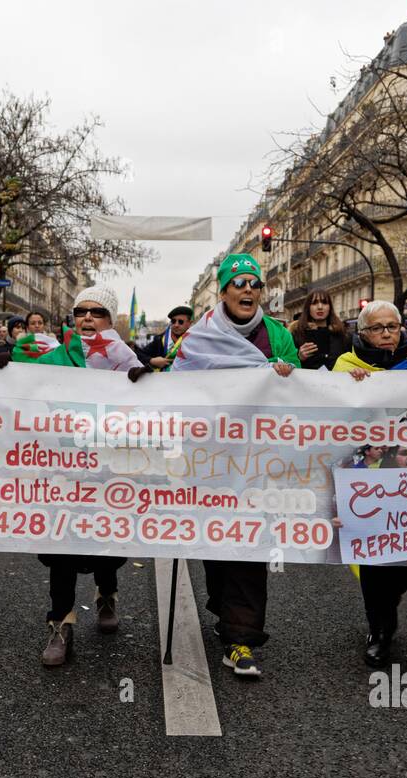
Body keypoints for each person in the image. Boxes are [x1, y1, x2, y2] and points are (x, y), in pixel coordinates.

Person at [172, 253, 299, 678]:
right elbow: (178, 384)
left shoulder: (278, 334)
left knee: (248, 541)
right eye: (239, 283)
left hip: (259, 459)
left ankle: (240, 637)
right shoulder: (197, 337)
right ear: (223, 290)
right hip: (210, 459)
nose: (248, 290)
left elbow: (302, 388)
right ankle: (223, 606)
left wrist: (288, 375)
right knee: (216, 539)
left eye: (254, 284)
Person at [10, 284, 144, 666]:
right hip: (62, 471)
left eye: (97, 312)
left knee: (105, 544)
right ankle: (60, 623)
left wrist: (149, 382)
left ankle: (107, 594)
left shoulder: (128, 360)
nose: (87, 317)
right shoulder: (54, 358)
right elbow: (20, 384)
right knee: (62, 546)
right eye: (81, 311)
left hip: (108, 469)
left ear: (110, 320)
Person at [331, 300, 407, 667]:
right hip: (365, 480)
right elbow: (330, 414)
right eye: (377, 328)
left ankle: (386, 612)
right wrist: (349, 388)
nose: (386, 334)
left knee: (399, 558)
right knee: (372, 556)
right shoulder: (346, 367)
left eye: (392, 327)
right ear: (362, 333)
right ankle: (379, 630)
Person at [291, 288, 349, 371]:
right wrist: (299, 357)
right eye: (314, 303)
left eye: (324, 302)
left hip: (336, 382)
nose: (320, 307)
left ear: (330, 307)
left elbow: (350, 363)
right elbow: (287, 364)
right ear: (308, 307)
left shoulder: (342, 334)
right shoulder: (297, 334)